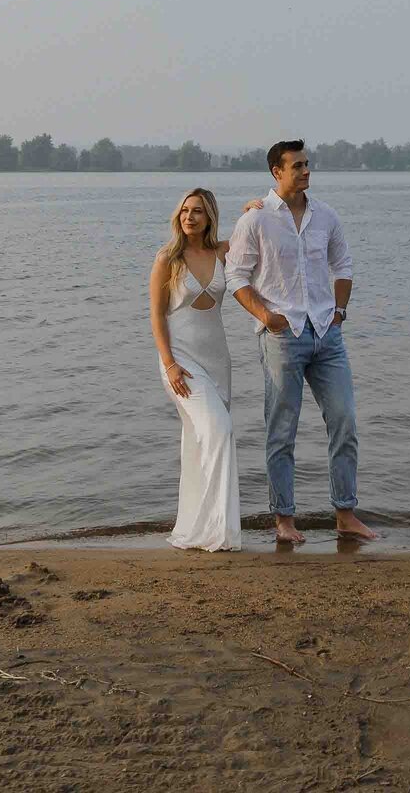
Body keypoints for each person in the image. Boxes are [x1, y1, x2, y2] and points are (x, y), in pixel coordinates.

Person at [226, 140, 378, 544]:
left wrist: (340, 312)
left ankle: (345, 514)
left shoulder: (326, 215)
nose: (306, 171)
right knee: (282, 430)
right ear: (277, 171)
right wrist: (265, 316)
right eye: (298, 166)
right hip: (281, 336)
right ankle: (284, 520)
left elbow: (342, 265)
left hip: (327, 332)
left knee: (344, 419)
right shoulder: (255, 220)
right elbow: (236, 277)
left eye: (307, 164)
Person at [148, 187, 241, 551]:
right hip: (181, 362)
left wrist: (255, 207)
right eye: (185, 210)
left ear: (210, 217)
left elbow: (256, 236)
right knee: (220, 431)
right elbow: (156, 315)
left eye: (198, 211)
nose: (189, 216)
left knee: (200, 443)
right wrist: (169, 364)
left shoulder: (222, 253)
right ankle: (216, 532)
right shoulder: (167, 258)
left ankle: (199, 528)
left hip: (218, 361)